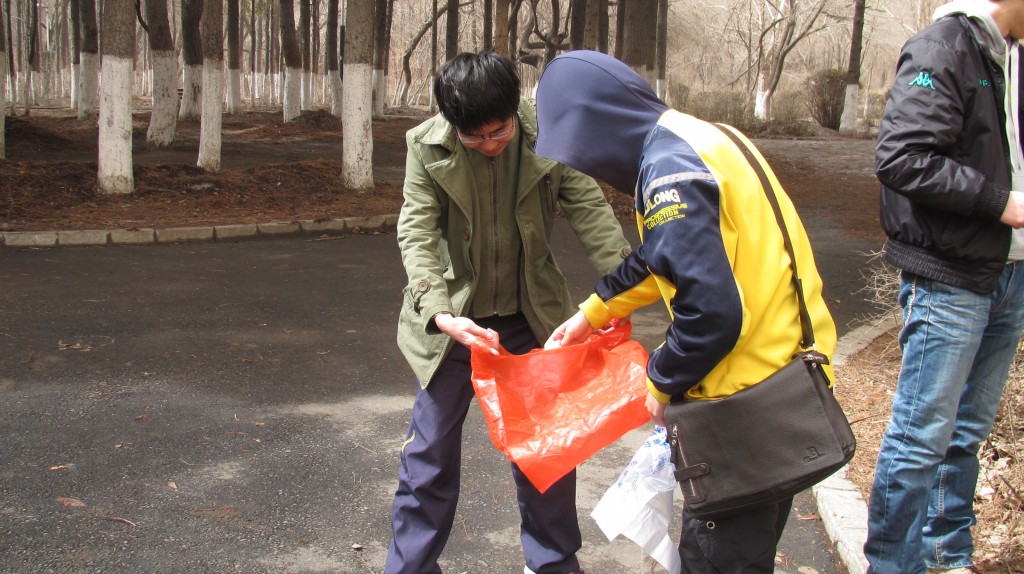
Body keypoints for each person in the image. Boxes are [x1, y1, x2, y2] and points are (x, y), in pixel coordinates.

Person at [534, 50, 838, 573]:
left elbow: (711, 315)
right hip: (787, 384)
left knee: (718, 561)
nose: (593, 171)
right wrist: (592, 312)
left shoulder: (667, 172)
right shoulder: (706, 138)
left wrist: (660, 383)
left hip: (739, 412)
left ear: (596, 128)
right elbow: (665, 255)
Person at [385, 50, 631, 574]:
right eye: (473, 138)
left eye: (499, 131)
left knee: (547, 451)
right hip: (456, 322)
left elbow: (589, 207)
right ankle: (411, 567)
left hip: (530, 315)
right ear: (452, 123)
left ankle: (552, 563)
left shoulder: (547, 133)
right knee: (428, 455)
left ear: (515, 108)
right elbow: (417, 232)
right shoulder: (425, 145)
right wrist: (439, 313)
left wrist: (623, 289)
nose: (490, 144)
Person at [864, 1, 1024, 572]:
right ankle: (893, 565)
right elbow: (902, 158)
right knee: (921, 437)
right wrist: (1000, 203)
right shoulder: (943, 48)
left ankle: (946, 552)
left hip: (1010, 271)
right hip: (950, 275)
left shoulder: (1011, 56)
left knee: (967, 431)